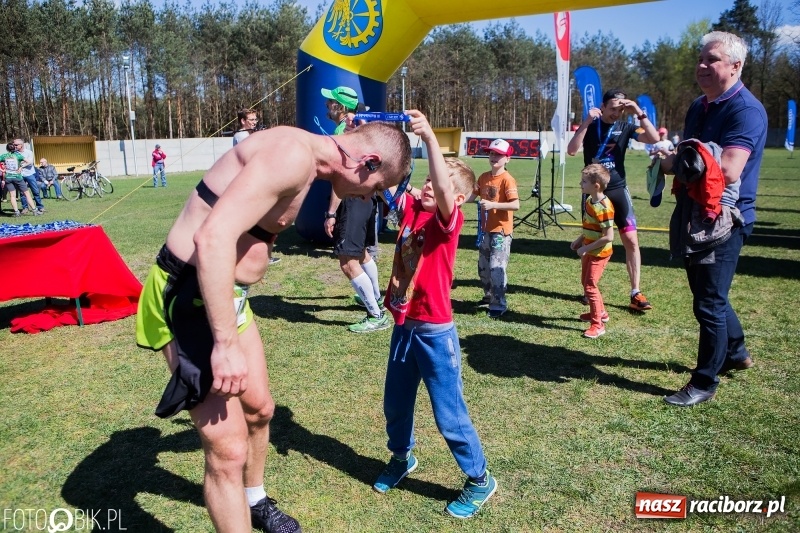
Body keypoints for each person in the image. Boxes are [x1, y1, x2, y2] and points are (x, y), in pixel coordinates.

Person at [135, 121, 411, 533]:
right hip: (187, 301)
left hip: (229, 297)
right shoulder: (291, 156)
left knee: (261, 410)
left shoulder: (307, 158)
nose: (371, 197)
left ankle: (255, 500)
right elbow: (211, 239)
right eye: (376, 187)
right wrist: (224, 345)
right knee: (227, 451)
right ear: (367, 163)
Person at [373, 110, 497, 519]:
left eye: (436, 182)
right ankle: (401, 458)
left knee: (449, 413)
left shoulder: (449, 219)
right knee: (396, 403)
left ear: (457, 199)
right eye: (425, 181)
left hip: (434, 331)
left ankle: (480, 479)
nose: (428, 185)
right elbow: (390, 178)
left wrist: (429, 139)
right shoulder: (413, 210)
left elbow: (444, 189)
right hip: (405, 326)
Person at [658, 31, 766, 407]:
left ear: (736, 66)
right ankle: (735, 353)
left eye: (712, 60)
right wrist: (671, 160)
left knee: (708, 303)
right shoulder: (698, 105)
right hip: (696, 211)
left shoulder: (745, 110)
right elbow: (691, 160)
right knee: (709, 295)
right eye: (700, 59)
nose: (702, 66)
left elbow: (730, 169)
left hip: (726, 219)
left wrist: (679, 161)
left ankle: (705, 381)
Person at [567, 89, 660, 312]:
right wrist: (587, 121)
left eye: (621, 109)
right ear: (603, 106)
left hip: (618, 189)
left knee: (631, 240)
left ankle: (635, 292)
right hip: (594, 193)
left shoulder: (626, 127)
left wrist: (638, 111)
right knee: (591, 240)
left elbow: (655, 139)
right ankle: (589, 289)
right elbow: (571, 150)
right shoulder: (592, 125)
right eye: (613, 108)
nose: (616, 113)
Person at [321, 86, 388, 333]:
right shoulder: (358, 129)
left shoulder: (343, 132)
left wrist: (330, 213)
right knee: (361, 253)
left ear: (341, 107)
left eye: (330, 102)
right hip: (367, 199)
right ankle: (376, 299)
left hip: (352, 199)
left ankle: (376, 314)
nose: (327, 106)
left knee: (347, 260)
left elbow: (341, 177)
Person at [469, 138, 519, 318]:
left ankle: (499, 303)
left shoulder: (507, 180)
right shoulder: (483, 177)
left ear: (507, 158)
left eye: (498, 154)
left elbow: (516, 205)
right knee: (483, 267)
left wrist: (493, 205)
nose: (494, 157)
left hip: (501, 231)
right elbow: (471, 196)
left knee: (496, 267)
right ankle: (489, 295)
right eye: (491, 153)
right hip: (485, 231)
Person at [570, 164, 614, 339]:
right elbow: (589, 227)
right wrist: (579, 240)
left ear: (596, 185)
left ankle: (597, 324)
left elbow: (609, 236)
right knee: (585, 282)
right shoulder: (589, 200)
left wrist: (586, 248)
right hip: (589, 249)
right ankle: (600, 312)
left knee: (590, 285)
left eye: (584, 181)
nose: (580, 184)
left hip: (599, 253)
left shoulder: (604, 207)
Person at [232, 108, 281, 265]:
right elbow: (254, 152)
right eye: (251, 120)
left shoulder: (250, 135)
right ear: (242, 121)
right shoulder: (240, 136)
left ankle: (261, 255)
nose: (254, 122)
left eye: (255, 120)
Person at [1, 142, 38, 217]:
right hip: (17, 177)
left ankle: (16, 212)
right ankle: (34, 210)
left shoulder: (4, 156)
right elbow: (29, 161)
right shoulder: (18, 155)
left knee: (12, 196)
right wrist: (21, 167)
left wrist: (2, 170)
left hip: (8, 177)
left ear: (7, 149)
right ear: (14, 148)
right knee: (27, 194)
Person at [15, 138, 45, 214]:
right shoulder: (15, 153)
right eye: (14, 145)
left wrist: (21, 166)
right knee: (22, 192)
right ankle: (25, 208)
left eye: (16, 145)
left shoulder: (29, 152)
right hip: (20, 175)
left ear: (21, 145)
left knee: (35, 191)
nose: (14, 146)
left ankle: (40, 207)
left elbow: (31, 163)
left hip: (29, 174)